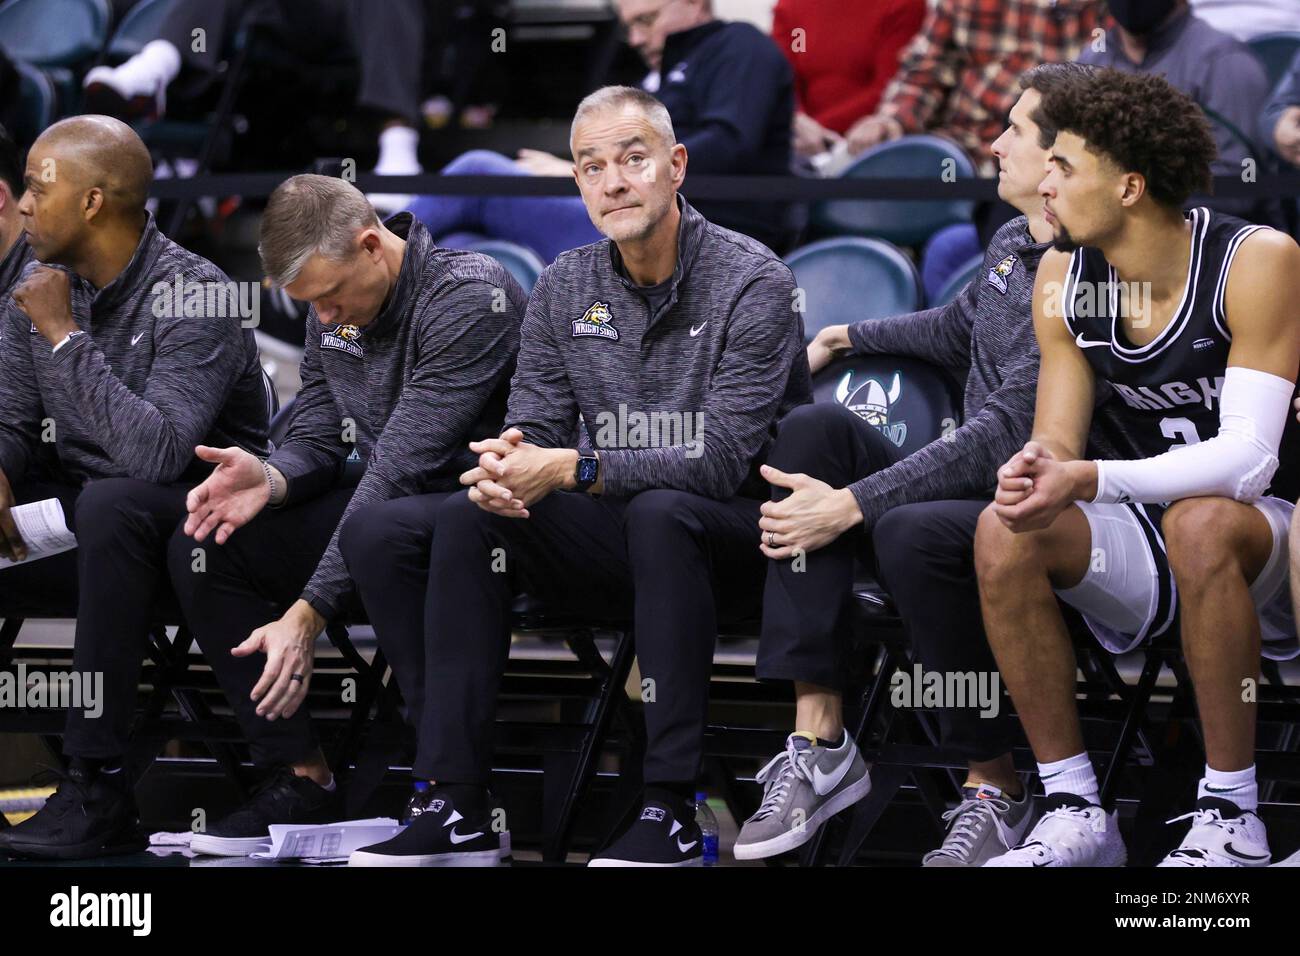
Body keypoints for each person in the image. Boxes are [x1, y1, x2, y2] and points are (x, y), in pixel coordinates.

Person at [340, 85, 810, 867]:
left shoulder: (753, 280)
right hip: (620, 540)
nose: (614, 182)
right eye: (591, 167)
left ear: (676, 165)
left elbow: (724, 457)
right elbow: (538, 431)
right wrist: (504, 467)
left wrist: (575, 466)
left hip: (744, 542)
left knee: (663, 511)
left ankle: (674, 806)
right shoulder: (564, 284)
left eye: (633, 159)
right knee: (429, 521)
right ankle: (453, 797)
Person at [733, 62, 1135, 864]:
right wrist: (846, 336)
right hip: (980, 494)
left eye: (1015, 131)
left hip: (1066, 509)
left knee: (911, 528)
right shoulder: (1012, 242)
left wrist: (850, 506)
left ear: (1064, 154)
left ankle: (997, 788)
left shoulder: (1091, 272)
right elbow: (957, 329)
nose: (994, 143)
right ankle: (819, 740)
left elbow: (1003, 432)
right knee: (812, 433)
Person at [976, 68, 1300, 867]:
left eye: (1062, 168)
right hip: (1154, 537)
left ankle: (1232, 817)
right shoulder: (1061, 275)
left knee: (1202, 520)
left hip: (1273, 540)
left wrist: (1089, 479)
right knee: (1004, 529)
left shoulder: (1256, 259)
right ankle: (1075, 808)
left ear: (1128, 185)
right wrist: (1037, 469)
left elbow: (1251, 463)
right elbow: (1058, 436)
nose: (1042, 186)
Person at [163, 176, 525, 856]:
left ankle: (455, 797)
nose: (326, 319)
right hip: (384, 516)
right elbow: (321, 431)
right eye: (312, 307)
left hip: (478, 517)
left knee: (383, 531)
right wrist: (271, 479)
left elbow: (403, 466)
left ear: (371, 245)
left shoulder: (470, 295)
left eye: (330, 299)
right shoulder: (334, 306)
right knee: (207, 543)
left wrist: (306, 615)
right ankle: (300, 772)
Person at [0, 116, 270, 859]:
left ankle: (97, 785)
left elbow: (156, 455)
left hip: (201, 523)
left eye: (35, 187)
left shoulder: (196, 293)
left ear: (92, 201)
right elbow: (15, 423)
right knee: (96, 506)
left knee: (113, 502)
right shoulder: (38, 286)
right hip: (90, 523)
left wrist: (63, 336)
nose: (21, 205)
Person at [406, 0, 796, 259]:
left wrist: (585, 176)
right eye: (631, 27)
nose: (638, 39)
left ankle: (360, 248)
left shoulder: (739, 44)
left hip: (696, 232)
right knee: (462, 244)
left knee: (478, 172)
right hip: (633, 217)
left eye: (646, 19)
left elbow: (729, 145)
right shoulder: (657, 72)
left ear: (695, 3)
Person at [1080, 0, 1279, 225]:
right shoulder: (1093, 59)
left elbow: (1243, 184)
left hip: (1212, 242)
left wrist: (1138, 194)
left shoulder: (1224, 62)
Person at [769, 0, 926, 159]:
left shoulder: (902, 5)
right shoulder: (792, 6)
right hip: (799, 144)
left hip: (868, 147)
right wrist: (797, 121)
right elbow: (782, 80)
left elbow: (893, 88)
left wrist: (819, 132)